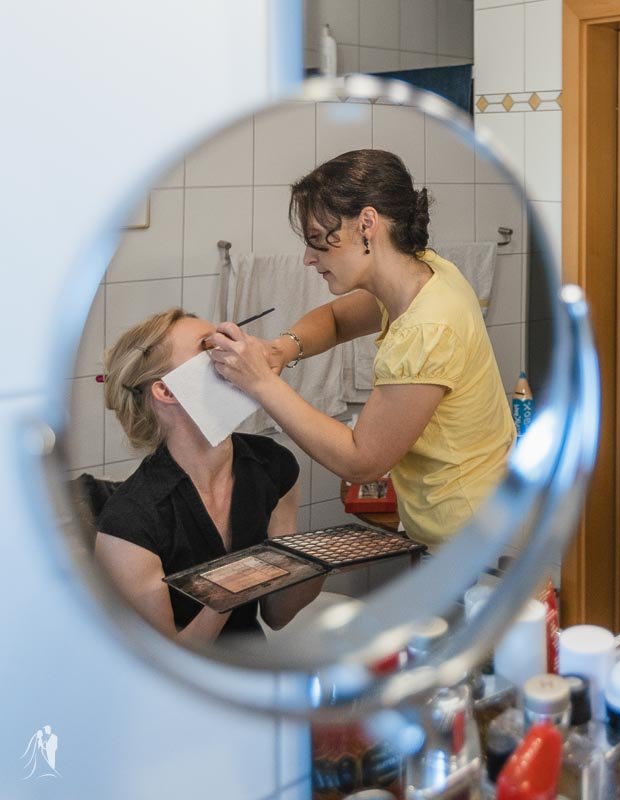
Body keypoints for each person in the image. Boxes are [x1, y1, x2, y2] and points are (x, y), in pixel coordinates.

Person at [206, 149, 515, 548]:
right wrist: (281, 351)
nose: (307, 258)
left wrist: (262, 383)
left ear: (367, 224)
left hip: (472, 536)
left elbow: (361, 461)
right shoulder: (424, 273)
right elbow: (336, 321)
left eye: (318, 240)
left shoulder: (427, 328)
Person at [94, 309, 323, 644]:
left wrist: (319, 563)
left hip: (254, 670)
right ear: (167, 392)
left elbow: (277, 614)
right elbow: (168, 666)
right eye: (209, 348)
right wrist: (228, 592)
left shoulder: (274, 466)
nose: (239, 352)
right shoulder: (129, 522)